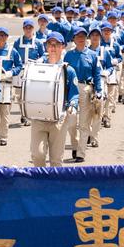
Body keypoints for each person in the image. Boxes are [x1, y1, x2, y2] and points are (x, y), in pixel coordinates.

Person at [31, 31, 81, 167]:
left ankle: (54, 182)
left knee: (56, 160)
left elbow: (74, 93)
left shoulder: (68, 70)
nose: (53, 48)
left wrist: (73, 104)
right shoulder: (38, 68)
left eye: (57, 44)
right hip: (39, 117)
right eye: (50, 44)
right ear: (46, 46)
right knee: (37, 155)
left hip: (59, 119)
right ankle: (41, 180)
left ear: (63, 47)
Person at [63, 27, 105, 161]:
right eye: (78, 36)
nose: (81, 39)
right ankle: (75, 146)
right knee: (71, 121)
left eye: (83, 36)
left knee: (84, 123)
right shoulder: (68, 55)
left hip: (86, 89)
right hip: (71, 89)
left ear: (86, 39)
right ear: (74, 39)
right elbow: (63, 74)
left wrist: (98, 91)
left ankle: (81, 153)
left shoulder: (92, 55)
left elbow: (97, 74)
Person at [0, 27, 24, 146]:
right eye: (0, 35)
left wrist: (11, 73)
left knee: (5, 112)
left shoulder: (12, 51)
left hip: (6, 84)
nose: (2, 37)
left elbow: (19, 65)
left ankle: (3, 136)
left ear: (7, 37)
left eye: (4, 35)